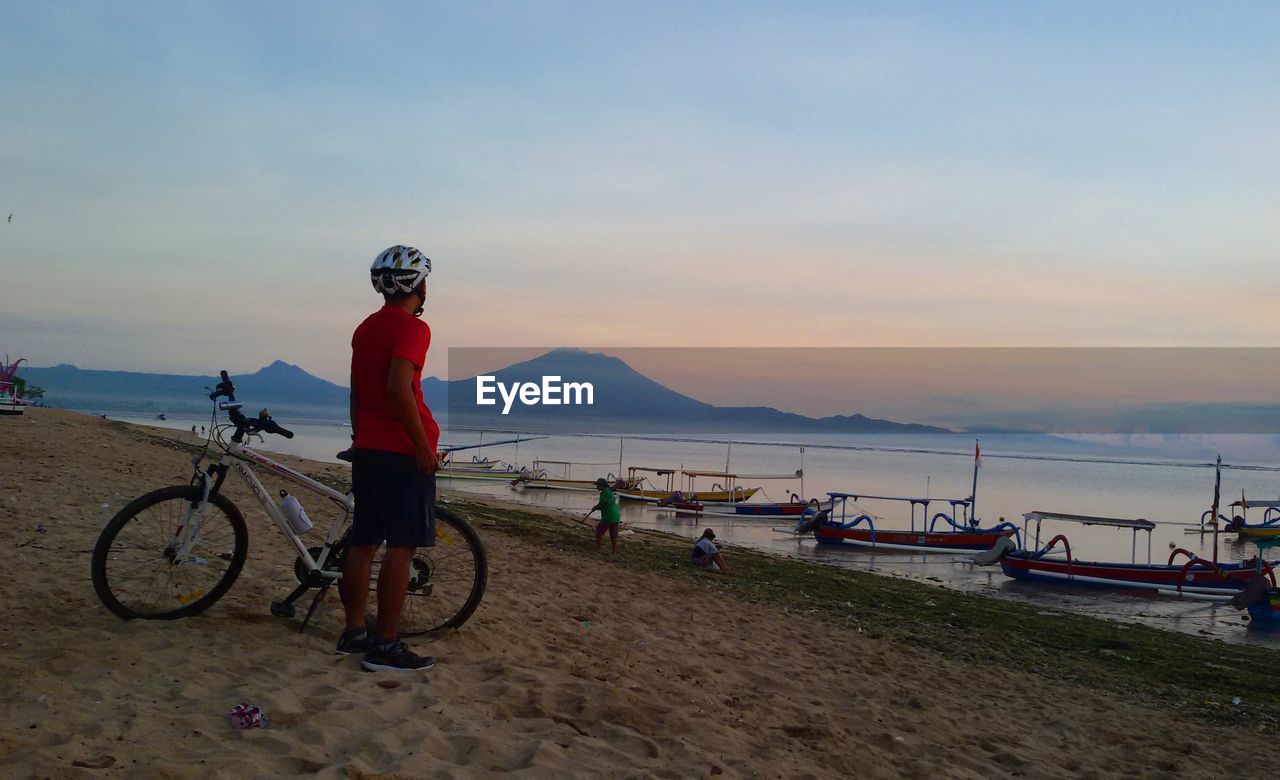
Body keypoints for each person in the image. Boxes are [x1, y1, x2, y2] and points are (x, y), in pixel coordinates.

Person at [336, 245, 440, 673]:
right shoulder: (414, 328)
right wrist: (421, 446)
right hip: (400, 452)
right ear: (417, 284)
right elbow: (399, 388)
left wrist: (361, 436)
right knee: (401, 547)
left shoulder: (366, 327)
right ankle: (385, 645)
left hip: (370, 449)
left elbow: (358, 391)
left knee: (363, 542)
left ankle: (355, 631)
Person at [585, 477, 621, 554]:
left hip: (608, 516)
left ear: (601, 485)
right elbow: (606, 503)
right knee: (613, 535)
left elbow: (603, 502)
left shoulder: (606, 492)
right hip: (616, 515)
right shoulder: (608, 492)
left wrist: (596, 507)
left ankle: (598, 548)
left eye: (597, 485)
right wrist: (597, 507)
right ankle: (614, 552)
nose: (596, 486)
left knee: (599, 532)